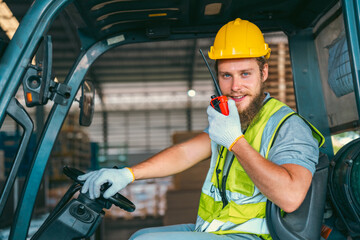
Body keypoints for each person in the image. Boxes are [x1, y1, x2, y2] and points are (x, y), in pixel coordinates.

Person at [78, 18, 324, 240]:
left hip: (255, 237)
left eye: (245, 74)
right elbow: (185, 153)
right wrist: (127, 174)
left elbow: (291, 198)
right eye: (226, 76)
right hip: (219, 229)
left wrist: (235, 142)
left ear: (264, 72)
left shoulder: (287, 125)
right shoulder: (234, 119)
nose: (235, 86)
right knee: (140, 235)